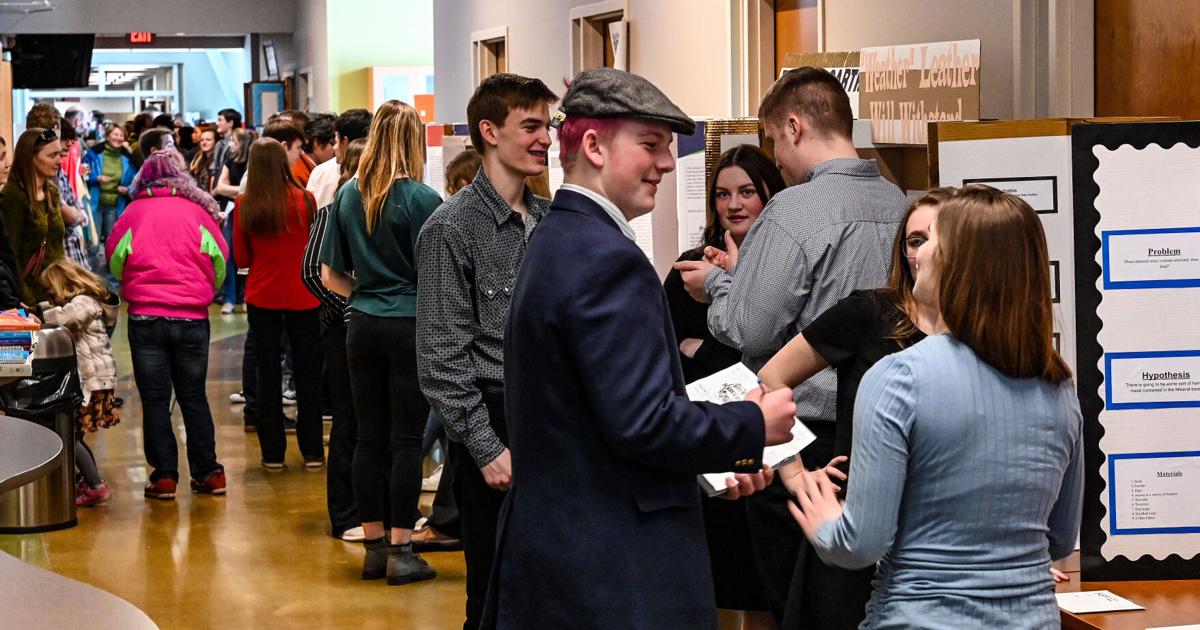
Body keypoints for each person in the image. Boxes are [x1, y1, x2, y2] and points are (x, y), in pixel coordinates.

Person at [486, 67, 796, 629]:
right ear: (595, 145)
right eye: (650, 145)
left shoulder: (558, 237)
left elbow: (599, 421)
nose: (669, 163)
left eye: (668, 147)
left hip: (566, 553)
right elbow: (643, 424)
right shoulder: (607, 260)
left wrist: (714, 463)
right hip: (611, 572)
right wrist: (752, 425)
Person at [787, 184, 1083, 629]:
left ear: (962, 264)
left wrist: (824, 519)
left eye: (932, 243)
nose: (919, 256)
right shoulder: (1058, 387)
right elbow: (1058, 538)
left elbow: (860, 545)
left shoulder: (899, 378)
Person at [674, 66, 908, 623]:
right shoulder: (899, 201)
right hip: (879, 434)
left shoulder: (794, 208)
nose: (775, 157)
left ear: (796, 127)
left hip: (798, 445)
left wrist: (719, 286)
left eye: (774, 140)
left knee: (791, 604)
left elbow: (749, 330)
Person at [754, 188, 952, 629]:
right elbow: (771, 378)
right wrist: (797, 476)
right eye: (913, 239)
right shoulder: (869, 311)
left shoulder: (980, 331)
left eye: (936, 237)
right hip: (854, 525)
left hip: (935, 540)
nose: (923, 251)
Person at [415, 73, 558, 628]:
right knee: (495, 588)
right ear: (489, 131)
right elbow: (441, 358)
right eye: (531, 125)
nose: (545, 137)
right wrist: (485, 447)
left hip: (552, 418)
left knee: (548, 583)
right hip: (495, 425)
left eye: (547, 125)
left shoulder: (549, 222)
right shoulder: (450, 230)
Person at [661, 144, 786, 627]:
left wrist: (706, 348)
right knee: (709, 577)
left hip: (770, 441)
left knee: (762, 585)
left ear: (769, 195)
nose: (733, 204)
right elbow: (667, 348)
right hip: (708, 438)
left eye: (747, 192)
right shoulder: (691, 265)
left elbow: (773, 351)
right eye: (722, 194)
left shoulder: (780, 267)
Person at [320, 100, 441, 585]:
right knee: (407, 441)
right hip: (410, 325)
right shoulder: (423, 200)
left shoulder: (349, 195)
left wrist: (368, 298)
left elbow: (331, 275)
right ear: (414, 141)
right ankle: (402, 549)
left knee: (368, 437)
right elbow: (438, 277)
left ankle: (371, 546)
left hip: (362, 324)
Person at [107, 149, 228, 499]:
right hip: (192, 318)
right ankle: (209, 473)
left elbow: (116, 262)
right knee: (193, 397)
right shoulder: (198, 212)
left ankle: (164, 477)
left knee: (156, 401)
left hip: (145, 317)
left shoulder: (133, 212)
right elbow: (219, 259)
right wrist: (203, 288)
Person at [234, 138, 323, 470]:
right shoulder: (306, 200)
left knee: (267, 374)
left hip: (263, 296)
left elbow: (241, 257)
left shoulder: (246, 204)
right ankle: (313, 451)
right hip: (304, 296)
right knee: (307, 375)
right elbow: (315, 249)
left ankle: (273, 454)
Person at [302, 138, 367, 542]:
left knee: (381, 424)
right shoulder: (333, 212)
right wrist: (350, 300)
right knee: (349, 422)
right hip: (343, 330)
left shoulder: (399, 208)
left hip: (372, 326)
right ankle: (345, 514)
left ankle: (386, 508)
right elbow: (312, 271)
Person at [39, 259, 120, 507]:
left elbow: (67, 318)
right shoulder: (85, 301)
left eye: (50, 292)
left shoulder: (84, 302)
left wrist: (37, 312)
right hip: (94, 381)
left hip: (92, 382)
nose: (50, 298)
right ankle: (91, 480)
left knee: (71, 436)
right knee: (78, 434)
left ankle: (96, 485)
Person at [2, 128, 66, 307]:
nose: (59, 161)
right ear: (31, 157)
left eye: (59, 154)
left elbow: (57, 247)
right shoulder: (13, 196)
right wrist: (22, 299)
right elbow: (10, 255)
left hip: (56, 292)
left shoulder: (52, 192)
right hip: (29, 300)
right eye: (52, 155)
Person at [213, 127, 254, 315]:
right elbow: (220, 186)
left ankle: (246, 296)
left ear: (242, 144)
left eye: (233, 141)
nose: (229, 144)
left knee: (249, 254)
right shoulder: (229, 161)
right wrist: (241, 190)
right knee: (228, 252)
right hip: (231, 211)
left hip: (248, 209)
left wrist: (236, 190)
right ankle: (229, 298)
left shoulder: (252, 162)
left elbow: (252, 188)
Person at [308, 108, 373, 208]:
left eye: (336, 140)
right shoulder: (381, 174)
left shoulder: (320, 172)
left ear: (345, 141)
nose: (334, 147)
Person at [83, 123, 135, 246]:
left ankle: (110, 265)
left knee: (112, 241)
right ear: (107, 137)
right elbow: (82, 174)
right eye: (115, 134)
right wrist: (96, 178)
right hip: (95, 203)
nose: (118, 138)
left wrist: (127, 189)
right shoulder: (93, 154)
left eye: (121, 135)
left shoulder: (128, 157)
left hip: (116, 205)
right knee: (92, 242)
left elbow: (135, 180)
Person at [189, 124, 218, 191]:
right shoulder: (200, 159)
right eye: (202, 140)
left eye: (208, 140)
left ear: (215, 142)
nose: (204, 142)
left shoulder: (217, 161)